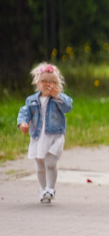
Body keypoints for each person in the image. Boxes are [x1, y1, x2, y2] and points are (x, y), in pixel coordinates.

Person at [17, 63, 73, 204]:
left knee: (50, 163)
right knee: (40, 165)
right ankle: (43, 190)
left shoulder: (59, 99)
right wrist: (23, 123)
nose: (48, 84)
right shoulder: (31, 100)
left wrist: (57, 95)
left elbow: (68, 107)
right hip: (38, 136)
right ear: (37, 83)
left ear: (58, 84)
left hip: (55, 136)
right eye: (44, 81)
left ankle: (50, 188)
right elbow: (24, 112)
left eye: (52, 82)